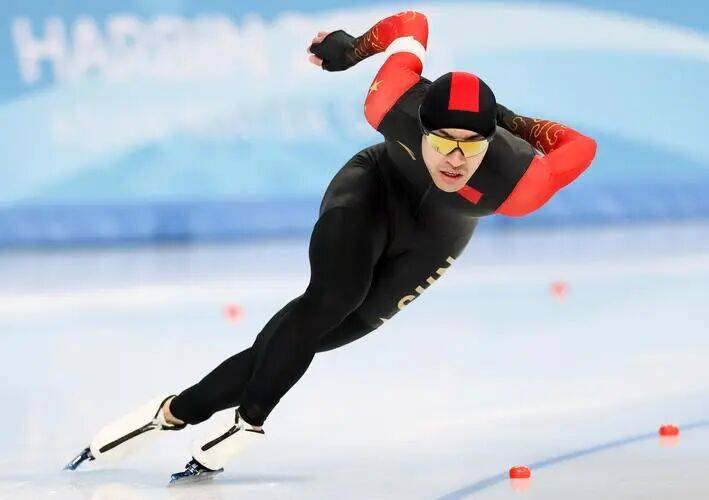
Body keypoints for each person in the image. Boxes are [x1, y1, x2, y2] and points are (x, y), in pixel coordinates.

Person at [64, 10, 597, 483]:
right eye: (442, 142)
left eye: (471, 146)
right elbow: (412, 24)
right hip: (373, 190)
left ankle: (171, 413)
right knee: (330, 297)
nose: (455, 160)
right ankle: (248, 424)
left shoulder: (521, 184)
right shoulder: (391, 102)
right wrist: (354, 49)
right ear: (420, 127)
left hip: (436, 239)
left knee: (314, 334)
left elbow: (583, 146)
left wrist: (512, 122)